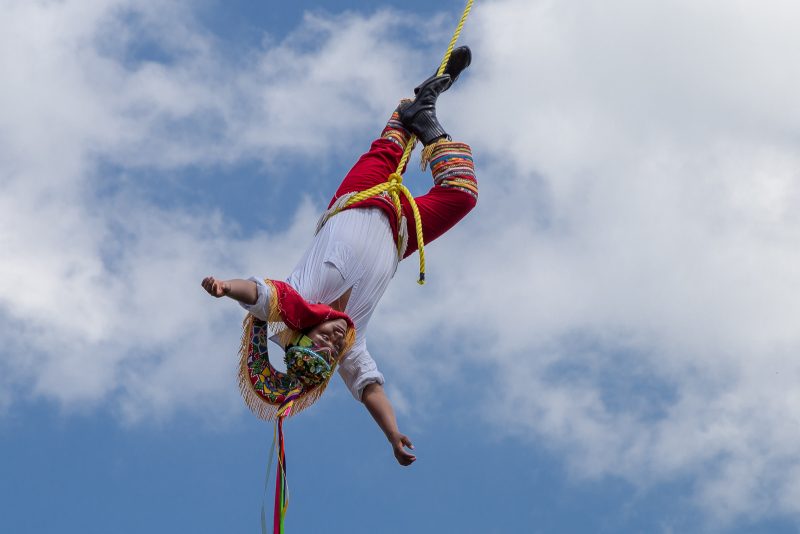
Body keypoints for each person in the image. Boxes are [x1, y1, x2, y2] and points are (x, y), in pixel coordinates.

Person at [202, 47, 478, 466]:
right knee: (462, 194)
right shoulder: (352, 339)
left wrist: (225, 287)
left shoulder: (298, 301)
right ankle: (427, 120)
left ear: (301, 335)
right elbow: (368, 387)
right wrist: (392, 434)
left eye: (321, 343)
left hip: (358, 199)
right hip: (401, 230)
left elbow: (258, 295)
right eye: (331, 353)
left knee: (393, 141)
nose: (332, 343)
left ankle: (417, 105)